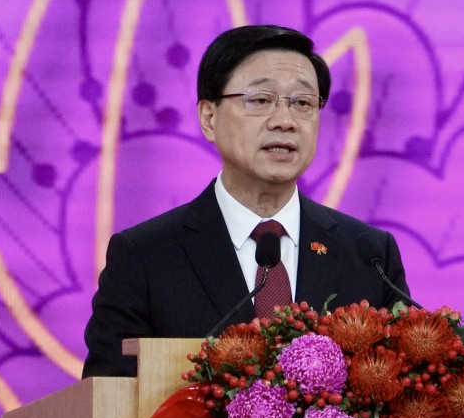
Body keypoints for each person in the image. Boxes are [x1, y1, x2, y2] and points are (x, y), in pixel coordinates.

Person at [82, 24, 410, 377]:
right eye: (260, 100)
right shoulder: (145, 257)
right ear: (209, 118)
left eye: (302, 103)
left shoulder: (368, 255)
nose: (285, 121)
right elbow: (106, 397)